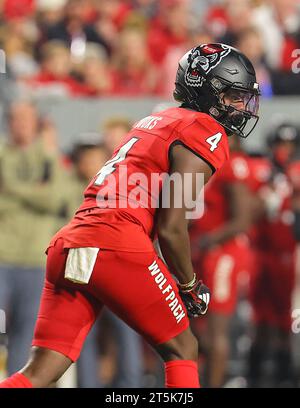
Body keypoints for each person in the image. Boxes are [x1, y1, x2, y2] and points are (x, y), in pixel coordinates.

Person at [0, 43, 260, 388]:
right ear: (209, 91)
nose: (241, 106)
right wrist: (189, 284)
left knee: (40, 370)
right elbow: (171, 226)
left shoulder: (159, 119)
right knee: (183, 347)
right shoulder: (203, 129)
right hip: (115, 241)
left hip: (70, 241)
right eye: (233, 95)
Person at [0, 100, 65, 376]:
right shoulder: (2, 154)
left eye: (27, 118)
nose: (21, 124)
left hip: (37, 261)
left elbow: (56, 199)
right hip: (3, 256)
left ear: (36, 123)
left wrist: (12, 189)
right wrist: (35, 194)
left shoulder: (49, 156)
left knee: (25, 339)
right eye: (16, 118)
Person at [189, 135, 255, 388]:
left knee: (216, 328)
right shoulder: (201, 161)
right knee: (193, 326)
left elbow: (242, 219)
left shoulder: (233, 163)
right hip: (200, 252)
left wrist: (207, 240)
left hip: (222, 253)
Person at [247, 122, 300, 387]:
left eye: (290, 146)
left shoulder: (295, 173)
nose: (285, 151)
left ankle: (284, 374)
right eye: (281, 145)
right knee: (260, 318)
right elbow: (246, 208)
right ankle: (255, 374)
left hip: (288, 253)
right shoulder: (260, 172)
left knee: (284, 317)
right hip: (261, 252)